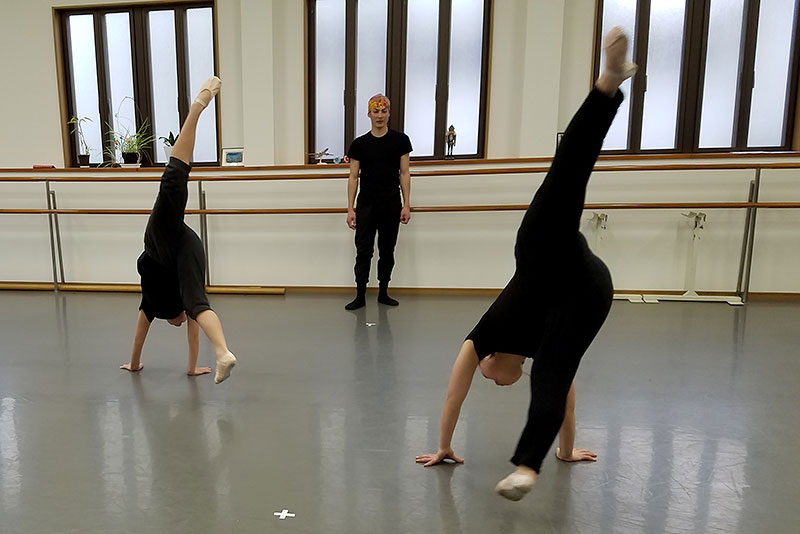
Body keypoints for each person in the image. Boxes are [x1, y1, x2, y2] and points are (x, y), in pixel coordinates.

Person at [415, 27, 637, 501]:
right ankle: (527, 467)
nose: (494, 384)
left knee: (567, 174)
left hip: (546, 253)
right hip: (587, 293)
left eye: (487, 378)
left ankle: (607, 85)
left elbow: (454, 393)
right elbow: (562, 394)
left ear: (491, 360)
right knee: (553, 375)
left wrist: (444, 445)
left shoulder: (484, 336)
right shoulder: (539, 347)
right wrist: (565, 450)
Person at [121, 76, 237, 384]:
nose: (183, 321)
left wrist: (134, 365)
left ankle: (198, 105)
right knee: (199, 304)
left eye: (180, 320)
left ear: (173, 314)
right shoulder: (183, 303)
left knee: (174, 177)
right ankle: (223, 352)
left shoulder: (153, 303)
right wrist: (191, 368)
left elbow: (138, 339)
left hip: (164, 239)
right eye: (184, 320)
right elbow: (188, 331)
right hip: (185, 246)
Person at [344, 94, 413, 310]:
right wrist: (350, 209)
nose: (380, 115)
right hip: (366, 204)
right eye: (376, 111)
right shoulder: (359, 144)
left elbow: (404, 173)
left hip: (391, 203)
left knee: (387, 249)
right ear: (369, 114)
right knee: (363, 250)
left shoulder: (401, 141)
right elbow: (353, 177)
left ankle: (383, 292)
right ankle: (360, 295)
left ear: (389, 113)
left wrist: (406, 204)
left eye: (384, 111)